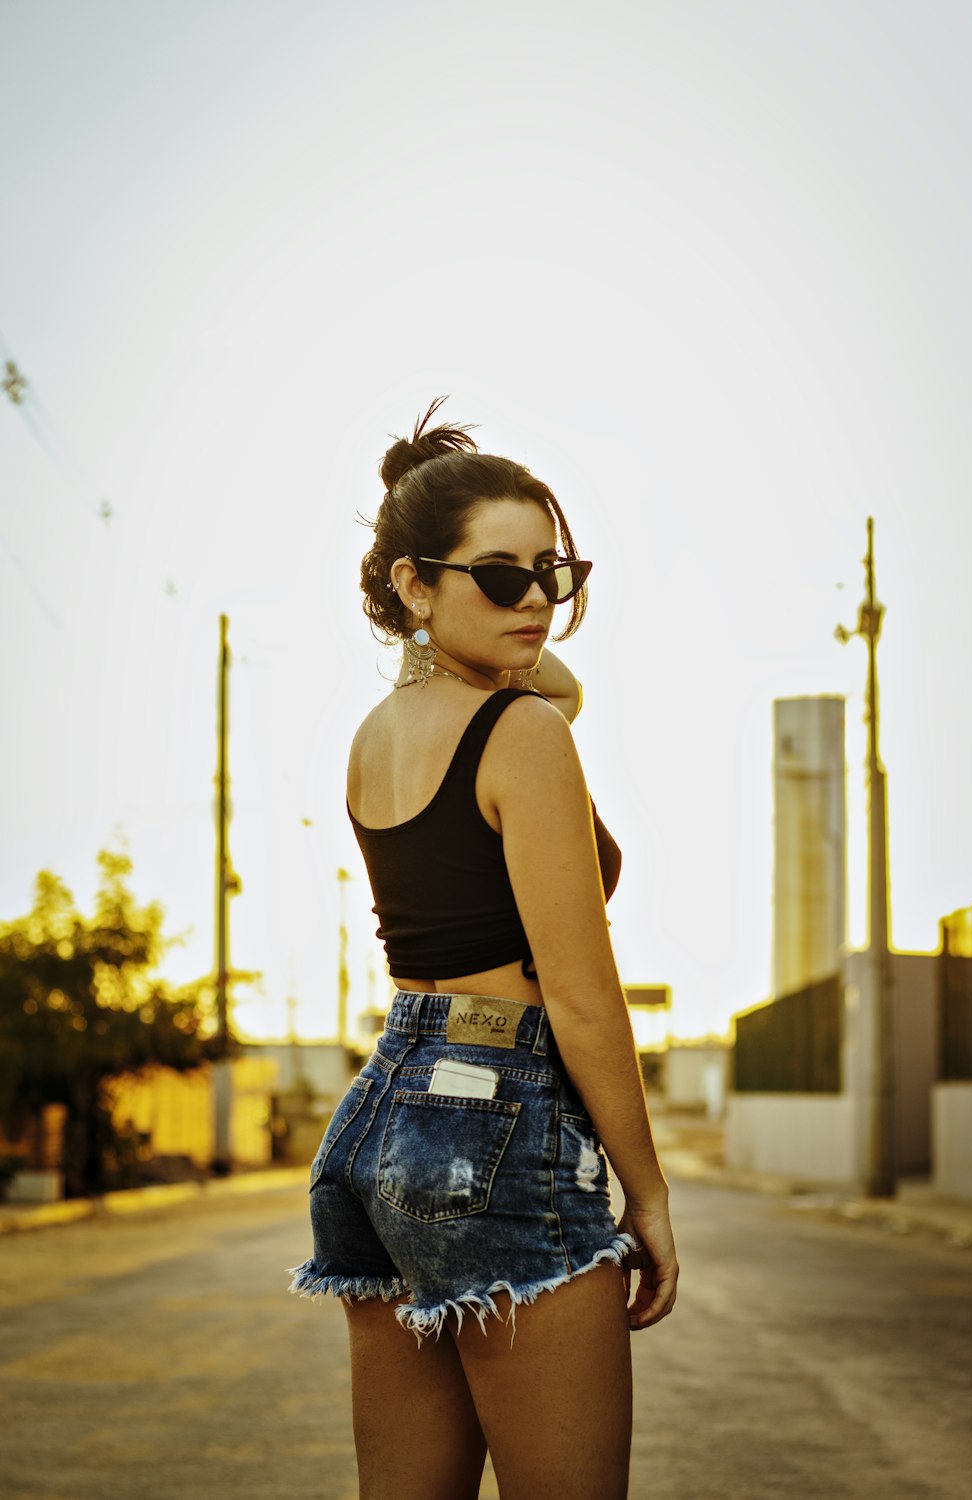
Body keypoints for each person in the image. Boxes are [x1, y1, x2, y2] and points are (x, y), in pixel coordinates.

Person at [289, 398, 679, 1500]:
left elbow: (548, 677)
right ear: (414, 585)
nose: (539, 603)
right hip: (498, 1118)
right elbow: (583, 996)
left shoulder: (377, 736)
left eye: (553, 573)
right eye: (499, 577)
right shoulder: (522, 736)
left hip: (383, 1120)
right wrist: (644, 1196)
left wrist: (532, 665)